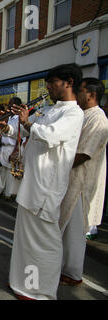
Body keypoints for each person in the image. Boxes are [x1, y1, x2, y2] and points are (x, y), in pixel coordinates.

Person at [2, 63, 84, 300]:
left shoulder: (73, 113)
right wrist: (12, 125)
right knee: (25, 240)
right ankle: (23, 283)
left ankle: (40, 291)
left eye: (53, 82)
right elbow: (30, 133)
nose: (48, 87)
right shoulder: (50, 109)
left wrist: (28, 122)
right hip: (32, 183)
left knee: (44, 242)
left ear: (68, 82)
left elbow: (49, 135)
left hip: (46, 186)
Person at [59, 78, 108, 285]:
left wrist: (56, 164)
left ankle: (72, 273)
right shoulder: (81, 115)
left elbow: (84, 154)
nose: (76, 94)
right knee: (65, 229)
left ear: (91, 95)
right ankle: (60, 266)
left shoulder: (99, 119)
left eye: (80, 91)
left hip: (82, 183)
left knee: (75, 232)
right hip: (69, 178)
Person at [0, 98, 22, 200]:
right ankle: (0, 191)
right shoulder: (9, 118)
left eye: (11, 104)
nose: (8, 106)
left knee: (9, 173)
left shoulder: (19, 118)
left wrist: (15, 152)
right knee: (1, 170)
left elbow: (19, 137)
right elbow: (3, 133)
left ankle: (8, 194)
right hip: (3, 147)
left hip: (11, 148)